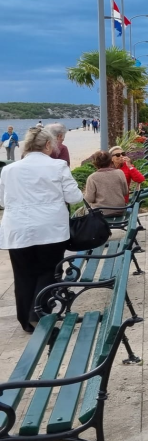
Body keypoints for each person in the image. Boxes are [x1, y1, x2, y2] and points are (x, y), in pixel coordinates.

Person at [0, 128, 84, 334]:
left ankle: (26, 320)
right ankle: (39, 315)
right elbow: (75, 197)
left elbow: (3, 201)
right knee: (48, 271)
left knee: (23, 274)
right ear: (48, 145)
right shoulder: (57, 166)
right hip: (50, 229)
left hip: (17, 228)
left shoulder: (9, 170)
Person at [83, 151, 130, 216]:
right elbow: (125, 192)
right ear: (110, 161)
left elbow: (89, 199)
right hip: (120, 209)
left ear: (95, 163)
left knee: (78, 213)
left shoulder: (92, 178)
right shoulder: (120, 173)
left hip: (100, 212)